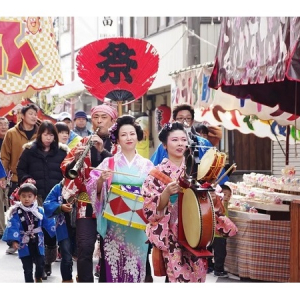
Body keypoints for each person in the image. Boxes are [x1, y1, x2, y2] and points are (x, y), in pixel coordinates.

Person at [86, 115, 154, 282]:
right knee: (113, 266)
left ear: (138, 136)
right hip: (115, 222)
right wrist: (102, 180)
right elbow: (92, 185)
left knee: (136, 264)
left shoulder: (148, 165)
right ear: (117, 139)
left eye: (132, 133)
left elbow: (154, 193)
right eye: (123, 135)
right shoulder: (109, 163)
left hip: (138, 222)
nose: (128, 138)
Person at [142, 122, 207, 283]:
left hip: (196, 231)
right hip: (171, 234)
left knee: (197, 276)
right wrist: (165, 194)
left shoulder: (196, 170)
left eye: (183, 140)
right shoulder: (155, 175)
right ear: (164, 144)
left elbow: (209, 200)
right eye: (175, 140)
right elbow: (150, 211)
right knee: (177, 277)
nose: (180, 144)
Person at [61, 103, 118, 283]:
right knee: (84, 247)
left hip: (112, 205)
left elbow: (120, 167)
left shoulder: (119, 143)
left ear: (113, 120)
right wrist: (75, 160)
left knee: (109, 250)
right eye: (96, 117)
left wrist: (103, 151)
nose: (99, 121)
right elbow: (65, 168)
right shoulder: (83, 142)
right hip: (86, 204)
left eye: (104, 117)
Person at [16, 120, 69, 279]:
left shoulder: (62, 152)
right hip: (36, 197)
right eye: (46, 134)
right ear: (40, 135)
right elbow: (20, 169)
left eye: (51, 135)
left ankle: (48, 262)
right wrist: (27, 180)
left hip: (54, 198)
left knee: (51, 232)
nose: (49, 138)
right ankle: (39, 262)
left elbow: (68, 172)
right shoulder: (29, 151)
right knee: (37, 230)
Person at [1, 103, 39, 254]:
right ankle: (13, 240)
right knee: (16, 211)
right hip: (16, 177)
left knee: (34, 210)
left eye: (35, 114)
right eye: (30, 113)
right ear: (22, 116)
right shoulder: (11, 133)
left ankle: (34, 241)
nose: (34, 116)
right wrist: (2, 176)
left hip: (35, 178)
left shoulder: (40, 133)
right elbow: (4, 156)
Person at [1, 183, 55, 283]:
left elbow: (49, 222)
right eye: (23, 196)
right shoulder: (16, 212)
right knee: (27, 268)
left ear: (35, 197)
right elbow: (13, 226)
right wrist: (14, 241)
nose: (27, 199)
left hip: (38, 240)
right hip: (24, 242)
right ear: (19, 197)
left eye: (29, 196)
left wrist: (55, 233)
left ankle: (38, 277)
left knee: (40, 263)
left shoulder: (39, 211)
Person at [43, 178, 75, 282]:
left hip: (82, 225)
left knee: (83, 256)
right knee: (66, 256)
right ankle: (67, 279)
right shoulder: (59, 187)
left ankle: (83, 278)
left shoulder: (85, 184)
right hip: (63, 226)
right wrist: (60, 207)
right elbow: (47, 203)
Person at [207, 184, 238, 277]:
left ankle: (211, 267)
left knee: (215, 252)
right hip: (218, 234)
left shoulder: (224, 203)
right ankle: (218, 270)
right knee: (219, 253)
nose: (227, 197)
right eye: (224, 194)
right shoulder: (218, 203)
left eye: (229, 195)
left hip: (217, 234)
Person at [0, 117, 9, 239]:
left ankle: (2, 229)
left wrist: (3, 176)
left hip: (8, 174)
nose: (3, 126)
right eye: (0, 124)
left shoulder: (10, 138)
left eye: (5, 124)